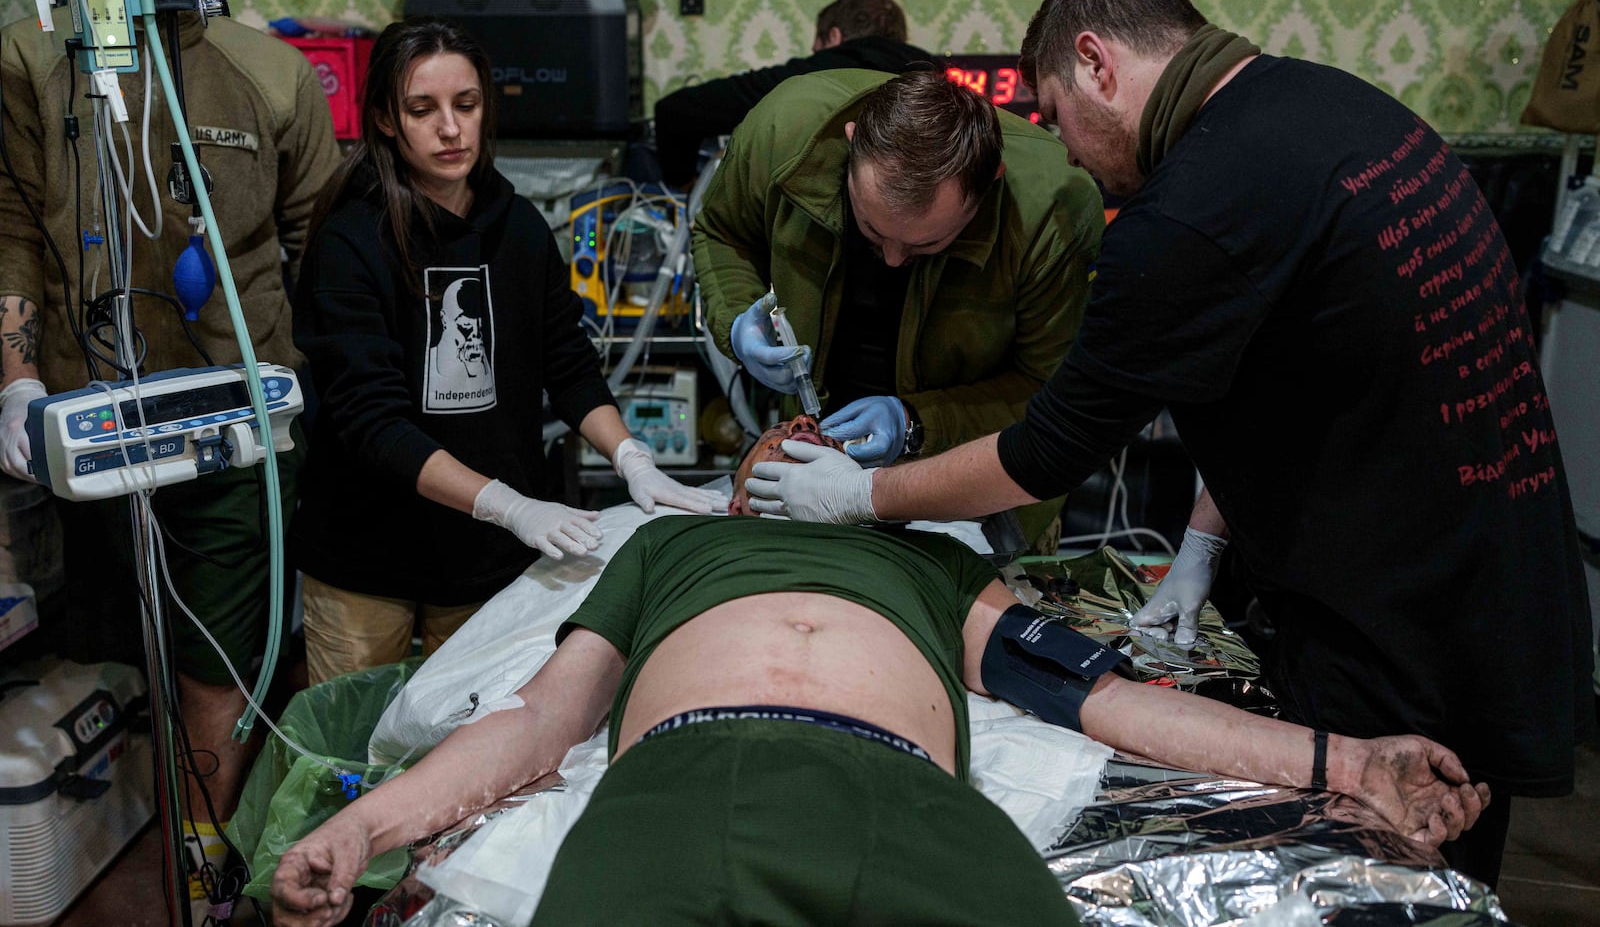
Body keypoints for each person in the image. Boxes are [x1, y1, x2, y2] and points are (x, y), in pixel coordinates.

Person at [743, 0, 1595, 887]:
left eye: (1058, 115)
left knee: (1396, 883)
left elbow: (1046, 449)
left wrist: (861, 494)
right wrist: (1202, 541)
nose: (1064, 150)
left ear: (1096, 62)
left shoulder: (1189, 210)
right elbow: (1299, 375)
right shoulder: (1325, 109)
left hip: (1401, 625)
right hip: (1501, 587)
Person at [271, 432, 1488, 926]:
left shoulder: (920, 562)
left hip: (906, 795)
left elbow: (1105, 698)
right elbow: (536, 724)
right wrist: (365, 821)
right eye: (774, 439)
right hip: (688, 780)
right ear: (744, 479)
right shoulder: (670, 545)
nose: (801, 439)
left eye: (831, 443)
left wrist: (1351, 763)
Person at [0, 0, 341, 909]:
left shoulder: (265, 75)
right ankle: (151, 843)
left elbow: (314, 242)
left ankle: (203, 870)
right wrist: (15, 381)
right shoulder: (33, 65)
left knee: (215, 669)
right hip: (87, 422)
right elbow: (11, 232)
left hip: (228, 421)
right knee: (117, 654)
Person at [291, 17, 719, 688]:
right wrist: (510, 503)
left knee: (471, 752)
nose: (451, 128)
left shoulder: (517, 228)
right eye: (422, 109)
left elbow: (569, 365)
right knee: (350, 758)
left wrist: (632, 458)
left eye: (465, 104)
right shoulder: (350, 242)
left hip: (485, 562)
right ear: (383, 118)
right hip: (365, 562)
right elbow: (374, 425)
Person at [691, 67, 1103, 540]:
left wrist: (916, 422)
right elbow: (722, 232)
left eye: (925, 245)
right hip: (809, 500)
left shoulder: (1055, 212)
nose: (891, 260)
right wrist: (738, 319)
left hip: (975, 489)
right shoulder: (783, 135)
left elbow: (1053, 397)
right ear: (850, 144)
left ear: (990, 184)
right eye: (871, 229)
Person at [653, 0, 933, 188]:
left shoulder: (815, 74)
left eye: (817, 48)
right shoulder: (938, 77)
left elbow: (675, 111)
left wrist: (683, 184)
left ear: (834, 37)